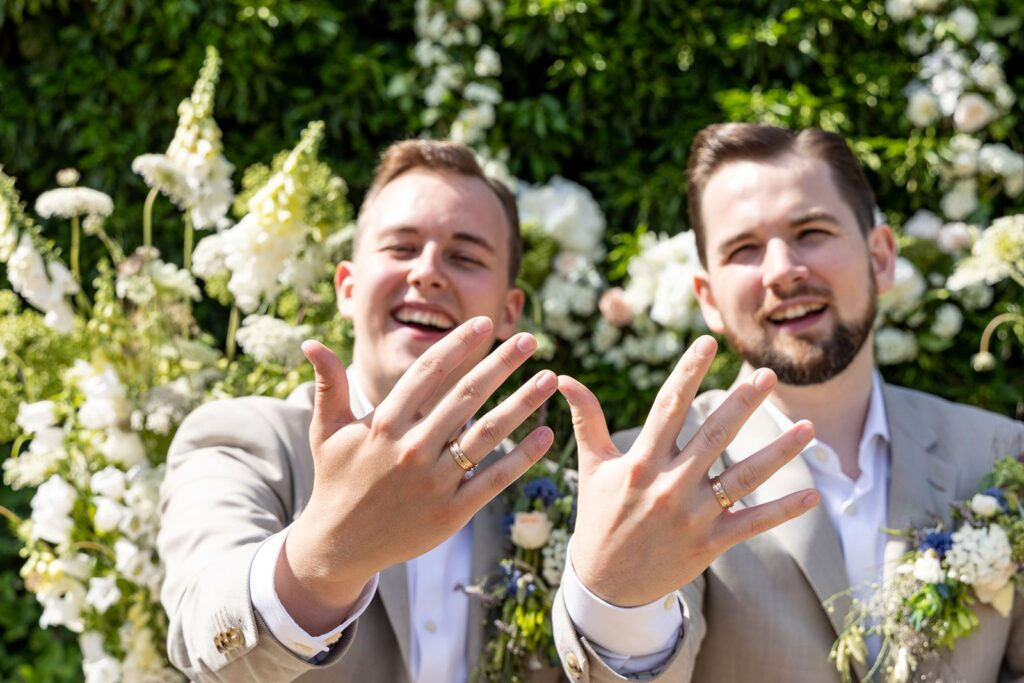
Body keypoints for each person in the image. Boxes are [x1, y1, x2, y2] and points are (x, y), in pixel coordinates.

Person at [552, 123, 1024, 682]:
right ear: (709, 298)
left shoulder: (999, 450)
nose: (782, 271)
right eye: (744, 249)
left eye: (811, 231)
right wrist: (618, 595)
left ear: (879, 256)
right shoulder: (646, 478)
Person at [158, 140, 563, 682]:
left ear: (509, 310)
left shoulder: (548, 494)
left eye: (464, 257)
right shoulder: (245, 440)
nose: (428, 273)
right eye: (401, 248)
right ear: (347, 288)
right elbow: (205, 640)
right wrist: (327, 556)